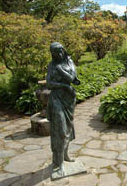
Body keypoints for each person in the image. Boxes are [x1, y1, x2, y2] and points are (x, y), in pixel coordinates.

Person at [46, 42, 80, 176]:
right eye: (54, 54)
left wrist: (60, 70)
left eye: (59, 52)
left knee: (68, 129)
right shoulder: (51, 65)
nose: (57, 55)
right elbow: (49, 84)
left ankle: (65, 155)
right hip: (56, 100)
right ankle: (59, 165)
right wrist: (64, 86)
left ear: (63, 51)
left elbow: (71, 77)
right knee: (60, 130)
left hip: (68, 100)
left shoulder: (69, 62)